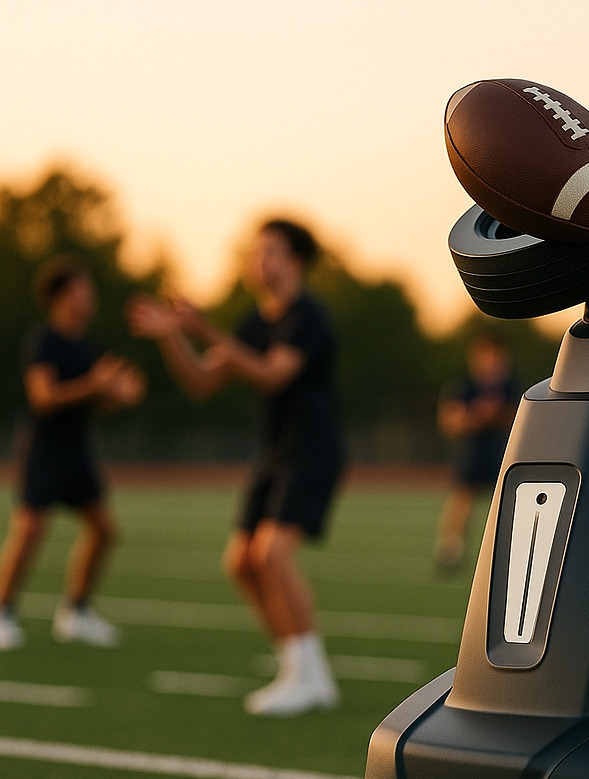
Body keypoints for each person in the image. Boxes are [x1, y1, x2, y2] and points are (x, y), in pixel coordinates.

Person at [126, 218, 344, 717]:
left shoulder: (307, 315)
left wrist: (203, 327)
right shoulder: (252, 323)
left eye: (268, 250)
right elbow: (203, 383)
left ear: (296, 261)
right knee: (241, 562)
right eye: (254, 251)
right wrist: (171, 337)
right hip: (275, 453)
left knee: (272, 554)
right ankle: (297, 668)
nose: (256, 260)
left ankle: (313, 676)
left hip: (313, 448)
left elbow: (271, 375)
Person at [0, 255, 146, 651]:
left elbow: (97, 396)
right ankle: (2, 612)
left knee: (104, 531)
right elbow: (43, 397)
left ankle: (76, 612)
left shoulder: (86, 346)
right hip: (44, 450)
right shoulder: (44, 339)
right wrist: (95, 384)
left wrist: (119, 393)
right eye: (84, 289)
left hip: (76, 452)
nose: (90, 297)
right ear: (64, 295)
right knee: (29, 530)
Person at [434, 334, 520, 571]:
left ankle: (511, 554)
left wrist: (499, 415)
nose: (491, 362)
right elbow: (449, 422)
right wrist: (478, 416)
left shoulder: (513, 386)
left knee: (509, 503)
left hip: (505, 453)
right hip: (472, 452)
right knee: (462, 499)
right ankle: (450, 550)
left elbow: (525, 419)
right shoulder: (463, 386)